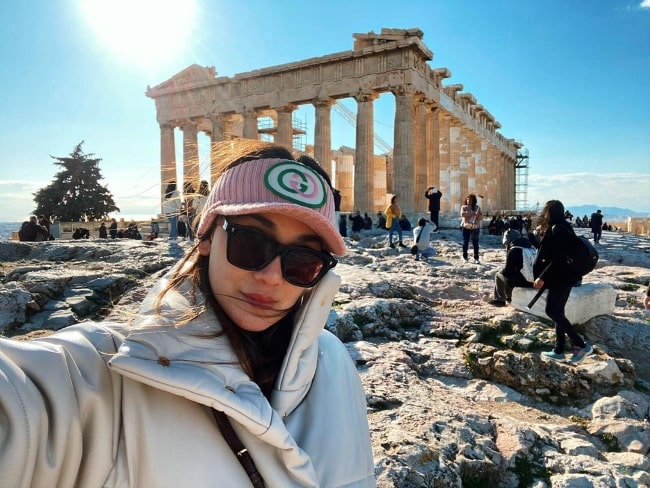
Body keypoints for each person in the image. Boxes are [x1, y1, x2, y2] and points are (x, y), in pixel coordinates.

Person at [0, 139, 375, 487]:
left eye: (304, 261)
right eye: (250, 242)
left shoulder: (334, 360)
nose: (272, 277)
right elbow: (21, 404)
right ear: (207, 236)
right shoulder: (102, 371)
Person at [534, 199, 593, 364]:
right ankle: (558, 349)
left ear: (549, 213)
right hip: (566, 277)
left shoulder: (558, 229)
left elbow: (558, 259)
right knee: (558, 312)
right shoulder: (564, 226)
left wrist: (542, 277)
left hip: (560, 278)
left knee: (552, 311)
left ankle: (581, 345)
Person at [488, 229, 536, 306]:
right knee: (512, 275)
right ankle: (509, 297)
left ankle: (500, 300)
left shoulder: (514, 250)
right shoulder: (532, 248)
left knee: (500, 275)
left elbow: (508, 271)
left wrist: (502, 271)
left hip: (525, 281)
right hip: (536, 281)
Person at [460, 193, 483, 264]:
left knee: (475, 243)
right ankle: (465, 257)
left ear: (473, 201)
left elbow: (481, 218)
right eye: (467, 199)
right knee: (465, 242)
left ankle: (476, 258)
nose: (468, 201)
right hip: (466, 226)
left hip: (475, 227)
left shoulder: (477, 207)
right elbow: (463, 214)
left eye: (470, 200)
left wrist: (478, 215)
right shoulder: (464, 207)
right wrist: (472, 213)